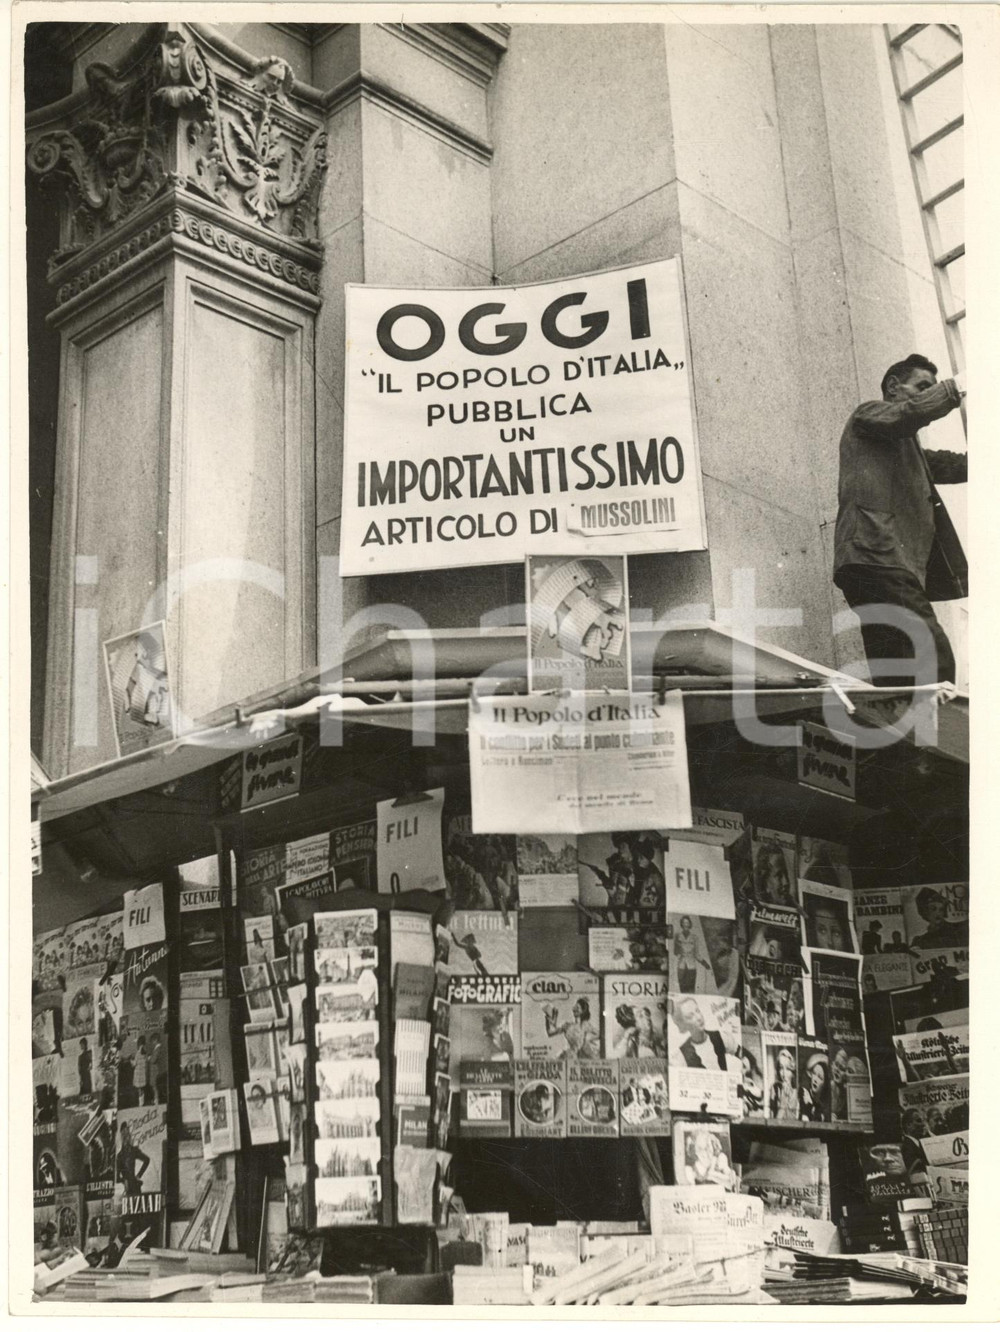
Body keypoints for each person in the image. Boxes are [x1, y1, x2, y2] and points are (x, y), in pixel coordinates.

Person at [833, 353, 967, 685]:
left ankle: (897, 717)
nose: (928, 395)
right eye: (922, 387)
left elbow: (953, 464)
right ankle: (933, 716)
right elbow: (908, 414)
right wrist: (959, 385)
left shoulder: (908, 448)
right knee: (933, 654)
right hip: (880, 557)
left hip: (874, 562)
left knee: (895, 668)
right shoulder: (868, 415)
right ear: (894, 387)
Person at [671, 997, 728, 1070]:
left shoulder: (720, 1037)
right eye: (690, 1017)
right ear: (683, 1024)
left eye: (698, 1011)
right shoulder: (681, 1055)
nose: (699, 1018)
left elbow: (741, 1054)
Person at [908, 886, 968, 950]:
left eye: (941, 909)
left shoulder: (956, 932)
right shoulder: (920, 941)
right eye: (933, 909)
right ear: (925, 912)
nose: (938, 913)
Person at [116, 1121, 150, 1196]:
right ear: (122, 1137)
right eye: (124, 1135)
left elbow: (147, 1160)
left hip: (136, 1186)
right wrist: (124, 1181)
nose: (126, 1137)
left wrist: (139, 1175)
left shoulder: (134, 1150)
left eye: (127, 1134)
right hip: (127, 1189)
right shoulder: (119, 1156)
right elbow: (117, 1178)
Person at [769, 1046, 798, 1119]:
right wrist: (783, 1103)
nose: (784, 1074)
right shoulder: (775, 1088)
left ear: (793, 1072)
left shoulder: (798, 1092)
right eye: (781, 1068)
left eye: (788, 1069)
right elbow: (773, 1121)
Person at [800, 1051, 831, 1122]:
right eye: (814, 1073)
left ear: (825, 1084)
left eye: (820, 1077)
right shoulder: (803, 1094)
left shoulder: (821, 1107)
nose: (815, 1080)